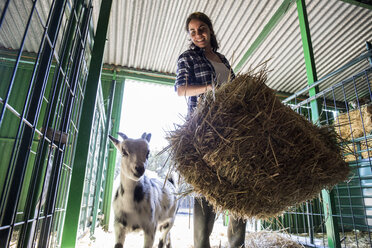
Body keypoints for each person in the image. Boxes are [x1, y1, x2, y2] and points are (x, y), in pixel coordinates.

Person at [174, 12, 247, 248]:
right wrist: (209, 87)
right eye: (192, 31)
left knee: (240, 183)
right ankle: (201, 245)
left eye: (202, 29)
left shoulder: (223, 59)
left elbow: (234, 87)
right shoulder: (187, 58)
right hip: (204, 129)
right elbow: (181, 89)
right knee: (206, 188)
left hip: (231, 129)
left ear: (210, 30)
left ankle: (237, 244)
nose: (198, 34)